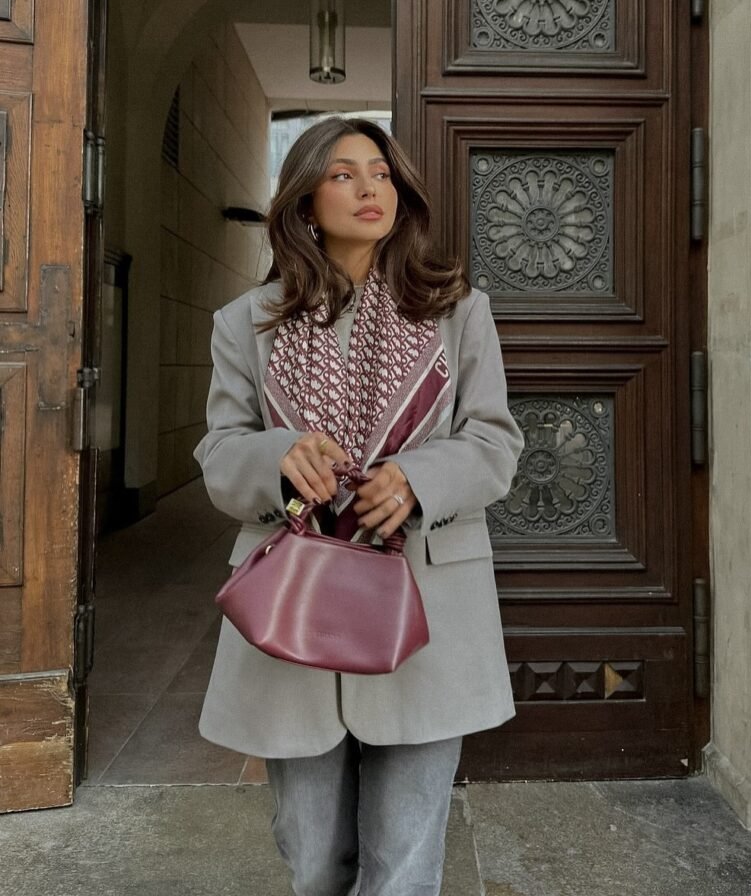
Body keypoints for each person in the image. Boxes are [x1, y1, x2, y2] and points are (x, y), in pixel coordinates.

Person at [192, 115, 525, 896]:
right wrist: (278, 457)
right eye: (341, 173)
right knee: (310, 858)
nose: (367, 187)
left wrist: (420, 478)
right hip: (292, 611)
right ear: (305, 201)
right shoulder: (246, 323)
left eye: (377, 172)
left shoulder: (455, 310)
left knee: (405, 859)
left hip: (425, 604)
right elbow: (218, 451)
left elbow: (494, 442)